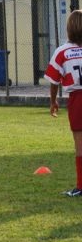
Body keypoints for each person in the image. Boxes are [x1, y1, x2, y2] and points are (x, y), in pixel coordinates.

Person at [45, 10, 82, 197]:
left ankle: (81, 186)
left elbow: (53, 80)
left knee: (80, 145)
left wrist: (53, 101)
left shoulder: (62, 52)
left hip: (77, 99)